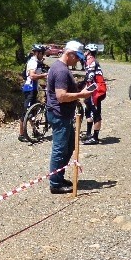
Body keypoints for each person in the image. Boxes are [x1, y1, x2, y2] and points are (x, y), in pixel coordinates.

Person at [45, 41, 95, 194]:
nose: (78, 61)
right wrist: (81, 95)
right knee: (60, 149)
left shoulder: (61, 68)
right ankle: (55, 183)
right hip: (59, 114)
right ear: (70, 54)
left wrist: (80, 88)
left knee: (69, 146)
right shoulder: (61, 71)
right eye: (77, 57)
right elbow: (61, 96)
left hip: (62, 114)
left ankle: (58, 176)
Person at [19, 44, 49, 141]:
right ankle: (22, 134)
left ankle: (34, 131)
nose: (43, 56)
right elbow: (32, 76)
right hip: (29, 88)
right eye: (42, 54)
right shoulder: (33, 62)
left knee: (31, 111)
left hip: (33, 88)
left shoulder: (37, 62)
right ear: (38, 53)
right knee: (26, 111)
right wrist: (44, 75)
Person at [81, 43, 108, 145]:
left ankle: (95, 138)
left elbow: (89, 77)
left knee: (96, 113)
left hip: (97, 91)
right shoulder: (88, 61)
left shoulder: (92, 62)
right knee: (88, 110)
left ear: (89, 52)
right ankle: (88, 134)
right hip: (91, 89)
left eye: (85, 50)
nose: (84, 52)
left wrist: (80, 85)